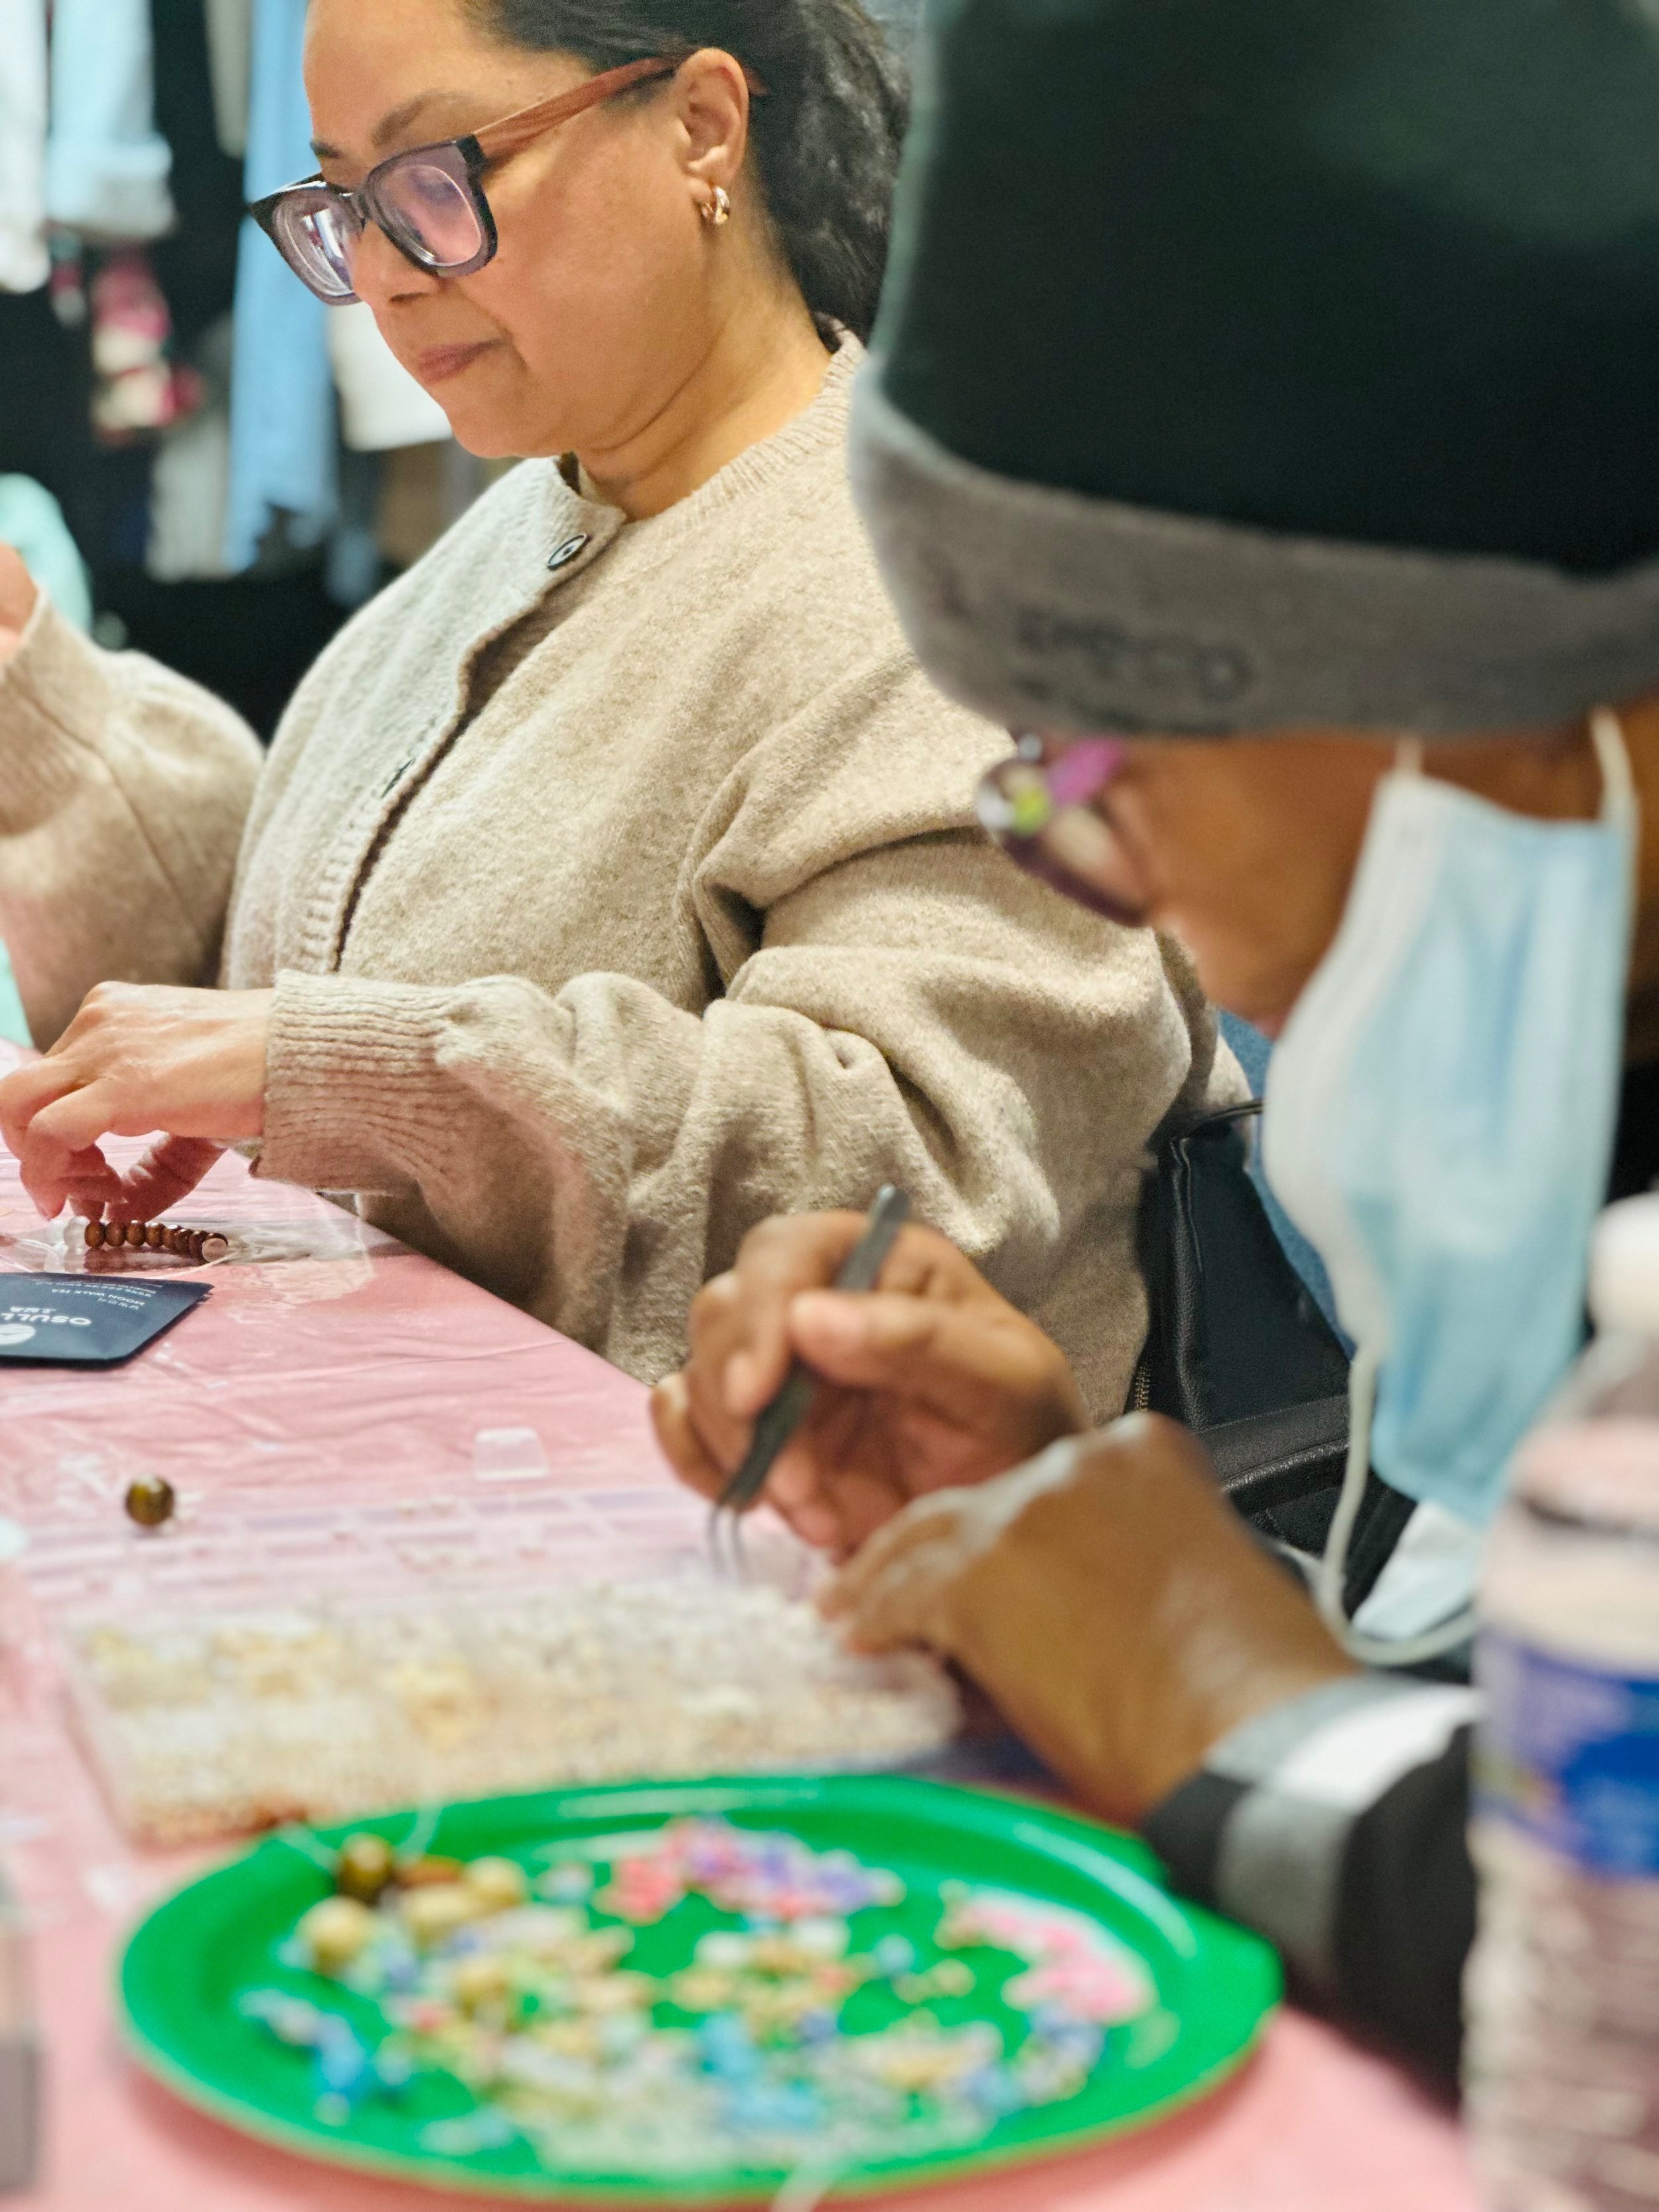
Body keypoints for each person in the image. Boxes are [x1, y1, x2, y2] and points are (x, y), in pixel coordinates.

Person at [653, 0, 1659, 2088]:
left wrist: (1236, 1700)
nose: (1106, 890)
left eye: (1106, 768)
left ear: (1550, 712)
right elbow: (1496, 1673)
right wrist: (1082, 1536)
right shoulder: (1579, 1088)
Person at [0, 0, 1230, 1396]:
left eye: (435, 181)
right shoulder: (505, 544)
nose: (385, 275)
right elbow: (266, 973)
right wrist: (39, 708)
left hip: (775, 1516)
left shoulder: (956, 603)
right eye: (344, 204)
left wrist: (350, 1072)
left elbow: (930, 1166)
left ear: (700, 128)